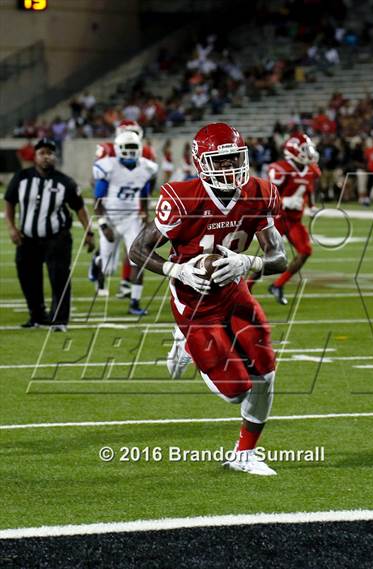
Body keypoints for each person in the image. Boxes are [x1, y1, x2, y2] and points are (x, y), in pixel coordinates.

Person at [129, 123, 287, 476]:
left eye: (235, 158)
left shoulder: (259, 192)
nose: (230, 168)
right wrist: (177, 270)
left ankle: (244, 454)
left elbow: (280, 257)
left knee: (266, 371)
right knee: (236, 391)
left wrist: (248, 261)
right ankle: (183, 341)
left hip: (235, 291)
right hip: (194, 302)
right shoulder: (183, 197)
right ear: (201, 163)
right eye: (220, 160)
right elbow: (137, 250)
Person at [4, 138, 95, 331]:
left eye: (50, 153)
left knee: (59, 278)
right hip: (27, 238)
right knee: (28, 277)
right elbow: (9, 201)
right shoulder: (21, 178)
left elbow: (79, 208)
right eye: (42, 153)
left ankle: (60, 320)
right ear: (35, 156)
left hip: (56, 237)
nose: (46, 157)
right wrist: (11, 227)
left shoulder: (65, 182)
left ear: (55, 157)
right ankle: (36, 316)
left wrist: (89, 232)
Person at [247, 133, 321, 305]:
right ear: (294, 151)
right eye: (305, 150)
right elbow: (268, 194)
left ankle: (278, 285)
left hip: (294, 221)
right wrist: (285, 201)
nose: (309, 153)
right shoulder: (280, 168)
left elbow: (309, 189)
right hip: (278, 218)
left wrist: (312, 206)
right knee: (270, 256)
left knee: (305, 252)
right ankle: (248, 285)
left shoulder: (311, 170)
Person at [93, 130, 158, 315]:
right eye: (126, 147)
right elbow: (98, 200)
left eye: (133, 147)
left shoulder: (147, 168)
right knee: (108, 266)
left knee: (138, 258)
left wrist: (144, 213)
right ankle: (98, 265)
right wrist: (103, 224)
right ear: (118, 148)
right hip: (111, 217)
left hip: (131, 218)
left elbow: (144, 194)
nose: (130, 152)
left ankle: (134, 303)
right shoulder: (108, 167)